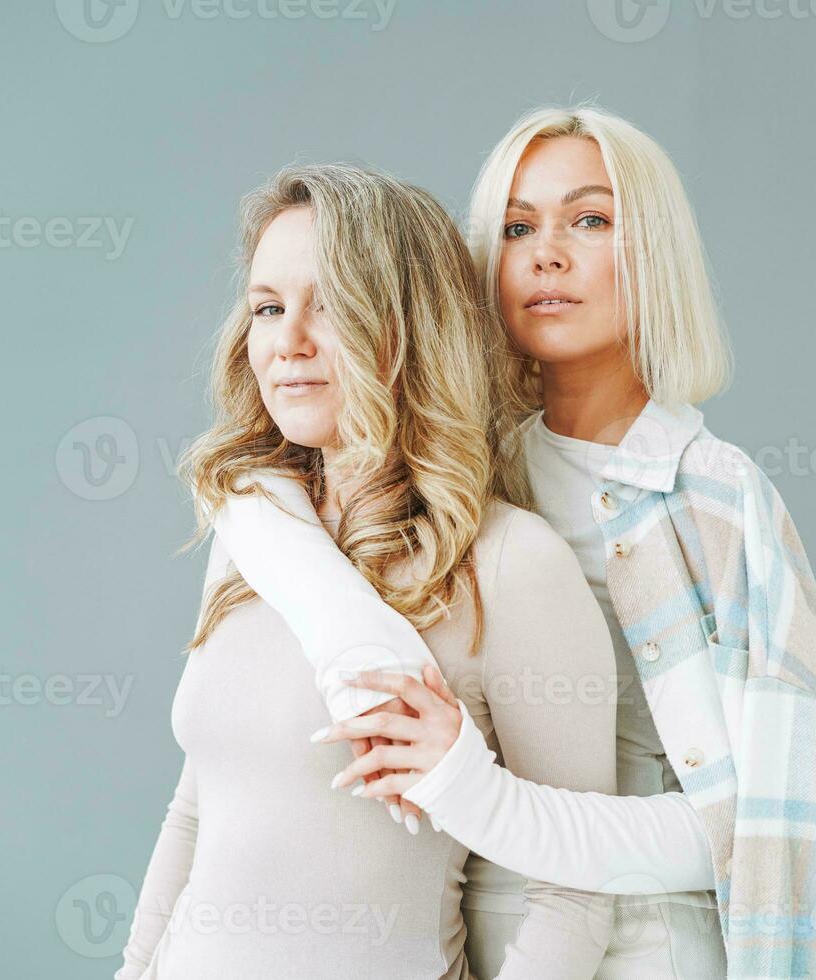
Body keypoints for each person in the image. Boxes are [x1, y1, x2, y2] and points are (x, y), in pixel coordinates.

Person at [210, 105, 816, 979]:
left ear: (652, 251)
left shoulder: (715, 499)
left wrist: (480, 794)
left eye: (591, 220)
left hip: (644, 947)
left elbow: (759, 829)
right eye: (515, 226)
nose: (546, 253)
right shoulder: (466, 470)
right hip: (471, 941)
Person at [115, 162, 622, 980]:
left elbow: (580, 888)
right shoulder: (253, 532)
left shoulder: (509, 563)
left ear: (410, 324)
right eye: (269, 309)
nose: (290, 343)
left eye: (333, 307)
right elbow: (195, 809)